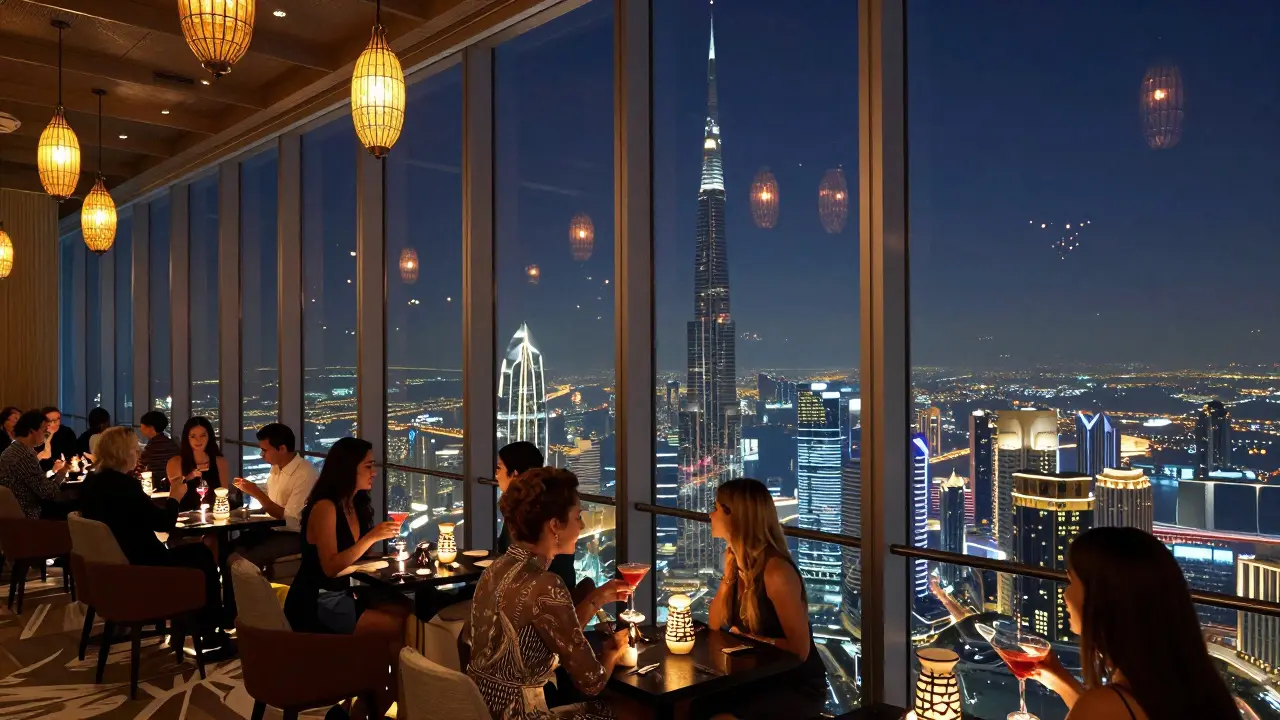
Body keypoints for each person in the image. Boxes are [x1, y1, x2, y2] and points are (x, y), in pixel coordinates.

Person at [469, 467, 632, 720]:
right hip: (520, 714)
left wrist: (597, 598)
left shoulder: (496, 569)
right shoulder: (545, 584)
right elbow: (592, 681)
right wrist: (614, 653)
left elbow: (552, 633)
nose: (582, 525)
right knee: (629, 711)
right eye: (578, 516)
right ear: (555, 525)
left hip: (477, 708)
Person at [1031, 527, 1238, 720]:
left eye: (1071, 581)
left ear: (1102, 597)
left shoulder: (1104, 705)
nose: (1064, 594)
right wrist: (1060, 680)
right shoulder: (1191, 685)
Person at [283, 437, 409, 718]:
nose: (374, 472)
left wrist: (382, 551)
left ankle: (368, 700)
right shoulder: (325, 508)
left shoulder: (354, 504)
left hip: (341, 593)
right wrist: (371, 538)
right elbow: (330, 567)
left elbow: (356, 557)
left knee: (404, 613)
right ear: (348, 468)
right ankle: (374, 702)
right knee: (395, 627)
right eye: (368, 466)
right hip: (318, 600)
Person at [79, 427, 227, 646]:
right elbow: (163, 524)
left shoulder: (92, 482)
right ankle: (209, 630)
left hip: (110, 567)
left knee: (194, 552)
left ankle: (188, 624)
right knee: (201, 554)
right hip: (142, 567)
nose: (138, 454)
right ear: (123, 453)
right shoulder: (124, 486)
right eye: (134, 449)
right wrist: (175, 497)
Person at [700, 477, 827, 719]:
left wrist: (753, 639)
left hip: (795, 685)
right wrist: (727, 578)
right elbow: (714, 625)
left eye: (716, 508)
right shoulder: (735, 561)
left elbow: (800, 651)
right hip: (759, 676)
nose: (710, 515)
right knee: (692, 706)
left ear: (735, 516)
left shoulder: (776, 572)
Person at [231, 423, 320, 567]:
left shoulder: (305, 474)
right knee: (230, 550)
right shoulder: (276, 468)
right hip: (272, 529)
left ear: (282, 449)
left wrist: (256, 493)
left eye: (265, 450)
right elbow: (272, 500)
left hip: (295, 536)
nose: (261, 455)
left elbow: (291, 521)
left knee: (246, 560)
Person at [495, 442, 577, 593]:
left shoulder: (526, 515)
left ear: (514, 474)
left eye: (499, 468)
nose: (496, 474)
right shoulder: (525, 511)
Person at [0, 410, 69, 518]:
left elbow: (35, 481)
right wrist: (62, 473)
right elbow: (48, 493)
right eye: (44, 430)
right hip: (28, 515)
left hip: (12, 512)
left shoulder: (13, 450)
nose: (46, 434)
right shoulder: (24, 455)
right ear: (32, 431)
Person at [166, 417, 229, 512]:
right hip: (184, 515)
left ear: (209, 436)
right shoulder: (175, 462)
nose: (198, 440)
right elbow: (174, 494)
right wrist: (190, 476)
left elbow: (224, 494)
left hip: (214, 514)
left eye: (202, 435)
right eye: (193, 436)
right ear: (187, 438)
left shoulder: (219, 461)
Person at [137, 410, 179, 483]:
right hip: (172, 480)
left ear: (150, 428)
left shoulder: (151, 447)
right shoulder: (172, 443)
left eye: (142, 425)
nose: (140, 428)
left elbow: (140, 467)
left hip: (156, 482)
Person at [37, 406, 78, 472]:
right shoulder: (38, 436)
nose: (56, 423)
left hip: (67, 470)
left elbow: (73, 454)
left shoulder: (67, 432)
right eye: (51, 421)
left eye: (58, 419)